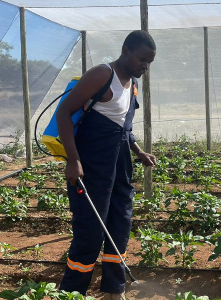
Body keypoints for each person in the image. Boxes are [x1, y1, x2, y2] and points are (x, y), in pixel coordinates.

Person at [56, 30, 157, 299]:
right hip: (92, 163)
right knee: (90, 228)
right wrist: (73, 160)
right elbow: (64, 112)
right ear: (125, 51)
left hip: (120, 163)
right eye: (141, 60)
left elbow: (124, 126)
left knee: (120, 223)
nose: (145, 66)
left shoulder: (132, 83)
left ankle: (114, 289)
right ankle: (72, 292)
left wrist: (138, 151)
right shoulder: (102, 75)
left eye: (149, 63)